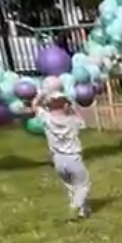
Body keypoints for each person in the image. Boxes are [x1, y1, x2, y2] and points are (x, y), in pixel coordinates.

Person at [31, 90, 91, 221]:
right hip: (73, 158)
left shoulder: (46, 119)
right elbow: (82, 123)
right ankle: (75, 208)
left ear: (48, 106)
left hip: (58, 159)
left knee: (71, 187)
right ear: (66, 105)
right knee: (83, 185)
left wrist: (41, 93)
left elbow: (34, 105)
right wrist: (72, 107)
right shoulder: (73, 121)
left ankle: (83, 212)